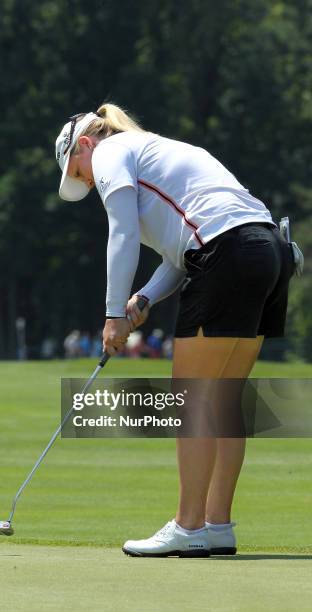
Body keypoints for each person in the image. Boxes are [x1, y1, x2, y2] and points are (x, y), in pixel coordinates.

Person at [55, 104, 294, 558]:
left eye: (77, 171)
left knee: (191, 401)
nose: (86, 181)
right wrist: (141, 299)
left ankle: (188, 526)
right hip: (269, 252)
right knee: (223, 400)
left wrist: (111, 315)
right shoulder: (156, 151)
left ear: (85, 145)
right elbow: (180, 254)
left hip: (228, 252)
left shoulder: (111, 152)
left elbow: (121, 233)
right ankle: (217, 524)